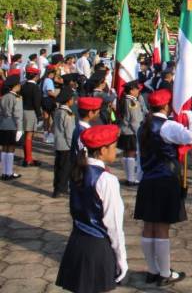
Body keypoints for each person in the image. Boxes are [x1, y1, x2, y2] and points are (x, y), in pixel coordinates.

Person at [135, 89, 192, 286]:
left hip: (148, 179)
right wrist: (190, 116)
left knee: (149, 226)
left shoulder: (143, 126)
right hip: (165, 179)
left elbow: (140, 156)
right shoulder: (168, 126)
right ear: (165, 106)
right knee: (162, 227)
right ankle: (165, 273)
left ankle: (152, 270)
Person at [55, 125, 128, 293]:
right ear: (102, 150)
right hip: (97, 247)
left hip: (76, 242)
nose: (116, 150)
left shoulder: (77, 170)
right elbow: (114, 225)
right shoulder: (107, 179)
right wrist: (121, 258)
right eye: (114, 146)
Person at [118, 81, 146, 187]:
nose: (138, 91)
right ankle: (131, 178)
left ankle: (129, 177)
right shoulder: (131, 102)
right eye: (136, 89)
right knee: (131, 153)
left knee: (127, 153)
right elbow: (134, 120)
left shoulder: (126, 100)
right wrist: (139, 133)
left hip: (126, 130)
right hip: (131, 131)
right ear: (131, 90)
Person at [52, 88, 76, 198]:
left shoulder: (57, 110)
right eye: (72, 99)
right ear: (68, 100)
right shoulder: (67, 113)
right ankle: (62, 189)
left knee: (58, 167)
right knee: (65, 168)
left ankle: (57, 188)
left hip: (58, 143)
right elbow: (69, 132)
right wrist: (73, 145)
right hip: (66, 145)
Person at [0, 74, 22, 181]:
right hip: (12, 124)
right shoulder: (17, 98)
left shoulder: (3, 97)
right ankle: (9, 172)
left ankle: (4, 172)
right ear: (16, 85)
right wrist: (20, 128)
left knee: (4, 148)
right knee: (11, 148)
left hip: (3, 124)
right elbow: (17, 114)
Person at [21, 65, 43, 167]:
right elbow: (36, 103)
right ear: (35, 76)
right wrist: (39, 115)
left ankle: (27, 157)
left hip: (23, 111)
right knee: (29, 137)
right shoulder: (35, 87)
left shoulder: (23, 85)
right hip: (31, 112)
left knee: (26, 136)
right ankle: (28, 159)